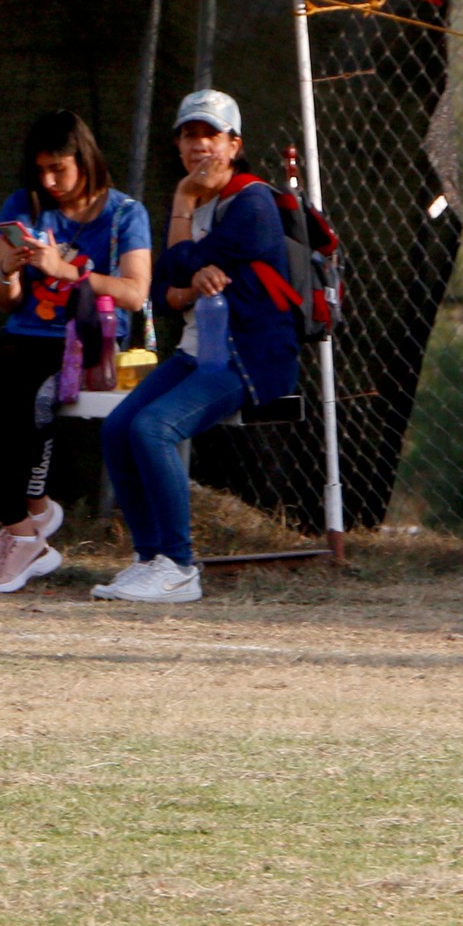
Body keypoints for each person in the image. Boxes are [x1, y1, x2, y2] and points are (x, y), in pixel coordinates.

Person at [95, 91, 302, 605]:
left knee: (152, 427)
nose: (199, 146)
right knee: (118, 428)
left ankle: (180, 566)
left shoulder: (252, 202)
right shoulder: (198, 202)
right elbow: (167, 285)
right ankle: (149, 560)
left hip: (246, 358)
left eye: (211, 135)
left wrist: (182, 210)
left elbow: (186, 261)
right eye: (189, 135)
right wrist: (187, 274)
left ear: (234, 145)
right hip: (197, 350)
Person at [0, 111, 153, 593]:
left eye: (60, 169)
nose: (49, 182)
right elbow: (5, 300)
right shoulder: (22, 205)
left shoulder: (125, 213)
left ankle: (25, 531)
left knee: (28, 406)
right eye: (41, 170)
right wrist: (8, 272)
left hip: (83, 340)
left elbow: (134, 293)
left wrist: (67, 271)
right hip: (23, 335)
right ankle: (28, 528)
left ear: (85, 160)